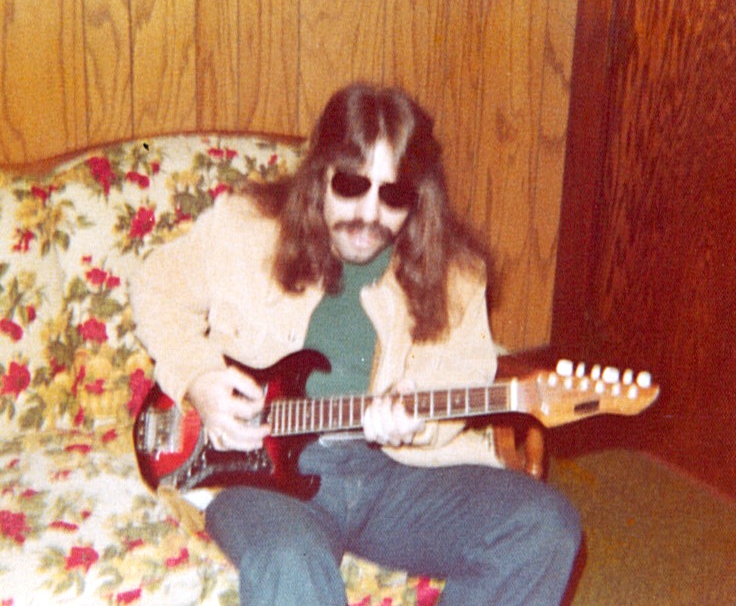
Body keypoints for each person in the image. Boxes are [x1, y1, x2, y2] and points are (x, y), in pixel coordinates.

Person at [129, 82, 581, 605]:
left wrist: (416, 422)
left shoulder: (456, 274)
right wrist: (200, 378)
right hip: (259, 476)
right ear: (320, 176)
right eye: (350, 185)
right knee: (289, 562)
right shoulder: (248, 228)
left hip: (393, 474)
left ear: (417, 198)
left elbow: (463, 371)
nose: (369, 215)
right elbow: (155, 284)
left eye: (394, 196)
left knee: (546, 527)